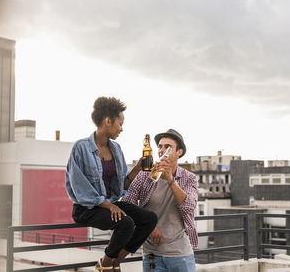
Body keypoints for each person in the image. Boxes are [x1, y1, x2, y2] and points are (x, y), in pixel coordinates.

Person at [65, 96, 158, 272]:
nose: (121, 129)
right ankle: (106, 265)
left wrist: (138, 168)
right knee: (126, 223)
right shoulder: (81, 147)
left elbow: (122, 184)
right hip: (87, 208)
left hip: (110, 205)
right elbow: (80, 190)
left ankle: (114, 261)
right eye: (120, 124)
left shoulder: (116, 149)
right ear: (108, 121)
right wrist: (109, 206)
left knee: (149, 219)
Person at [122, 129, 198, 272]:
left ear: (179, 152)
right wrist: (148, 225)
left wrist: (170, 179)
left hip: (180, 254)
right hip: (152, 255)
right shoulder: (145, 176)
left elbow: (189, 207)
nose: (162, 150)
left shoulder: (189, 178)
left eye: (168, 147)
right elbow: (126, 203)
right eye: (160, 146)